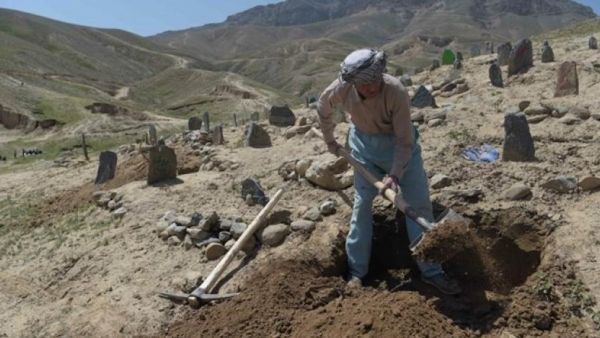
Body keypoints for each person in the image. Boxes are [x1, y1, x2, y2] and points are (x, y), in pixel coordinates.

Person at [316, 48, 461, 295]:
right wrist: (330, 140)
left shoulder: (395, 91)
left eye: (375, 80)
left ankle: (432, 272)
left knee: (418, 206)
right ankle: (356, 273)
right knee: (361, 208)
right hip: (363, 149)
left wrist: (394, 175)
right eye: (365, 84)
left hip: (399, 147)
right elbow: (323, 108)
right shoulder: (340, 88)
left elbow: (405, 142)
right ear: (353, 82)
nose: (372, 87)